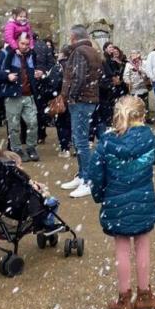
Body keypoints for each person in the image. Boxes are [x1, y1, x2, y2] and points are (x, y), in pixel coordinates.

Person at [88, 95, 155, 309]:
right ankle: (145, 296)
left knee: (121, 250)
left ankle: (124, 299)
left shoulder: (106, 142)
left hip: (115, 202)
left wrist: (100, 196)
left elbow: (94, 174)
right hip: (143, 200)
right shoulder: (149, 138)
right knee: (143, 246)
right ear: (142, 116)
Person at [59, 25, 103, 198]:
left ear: (73, 37)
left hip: (81, 101)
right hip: (88, 99)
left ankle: (88, 180)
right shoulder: (92, 51)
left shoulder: (79, 52)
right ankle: (82, 175)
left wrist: (72, 96)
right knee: (79, 140)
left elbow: (78, 77)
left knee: (81, 141)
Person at [0, 34, 40, 162]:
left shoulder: (31, 54)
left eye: (27, 44)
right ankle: (16, 149)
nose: (25, 47)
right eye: (22, 44)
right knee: (14, 125)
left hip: (28, 94)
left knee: (33, 122)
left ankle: (31, 147)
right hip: (12, 95)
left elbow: (35, 68)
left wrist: (38, 73)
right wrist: (7, 76)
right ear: (16, 42)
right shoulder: (6, 53)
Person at [45, 45, 72, 158]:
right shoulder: (75, 65)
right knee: (71, 123)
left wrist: (51, 95)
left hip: (61, 98)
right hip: (74, 98)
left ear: (62, 54)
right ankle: (72, 144)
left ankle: (64, 147)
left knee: (62, 123)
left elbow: (53, 84)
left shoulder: (58, 67)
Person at [33, 36, 56, 144]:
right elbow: (51, 63)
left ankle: (39, 134)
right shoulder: (43, 47)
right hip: (36, 83)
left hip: (39, 84)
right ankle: (39, 134)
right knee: (39, 110)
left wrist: (42, 72)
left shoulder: (42, 47)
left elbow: (51, 64)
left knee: (39, 110)